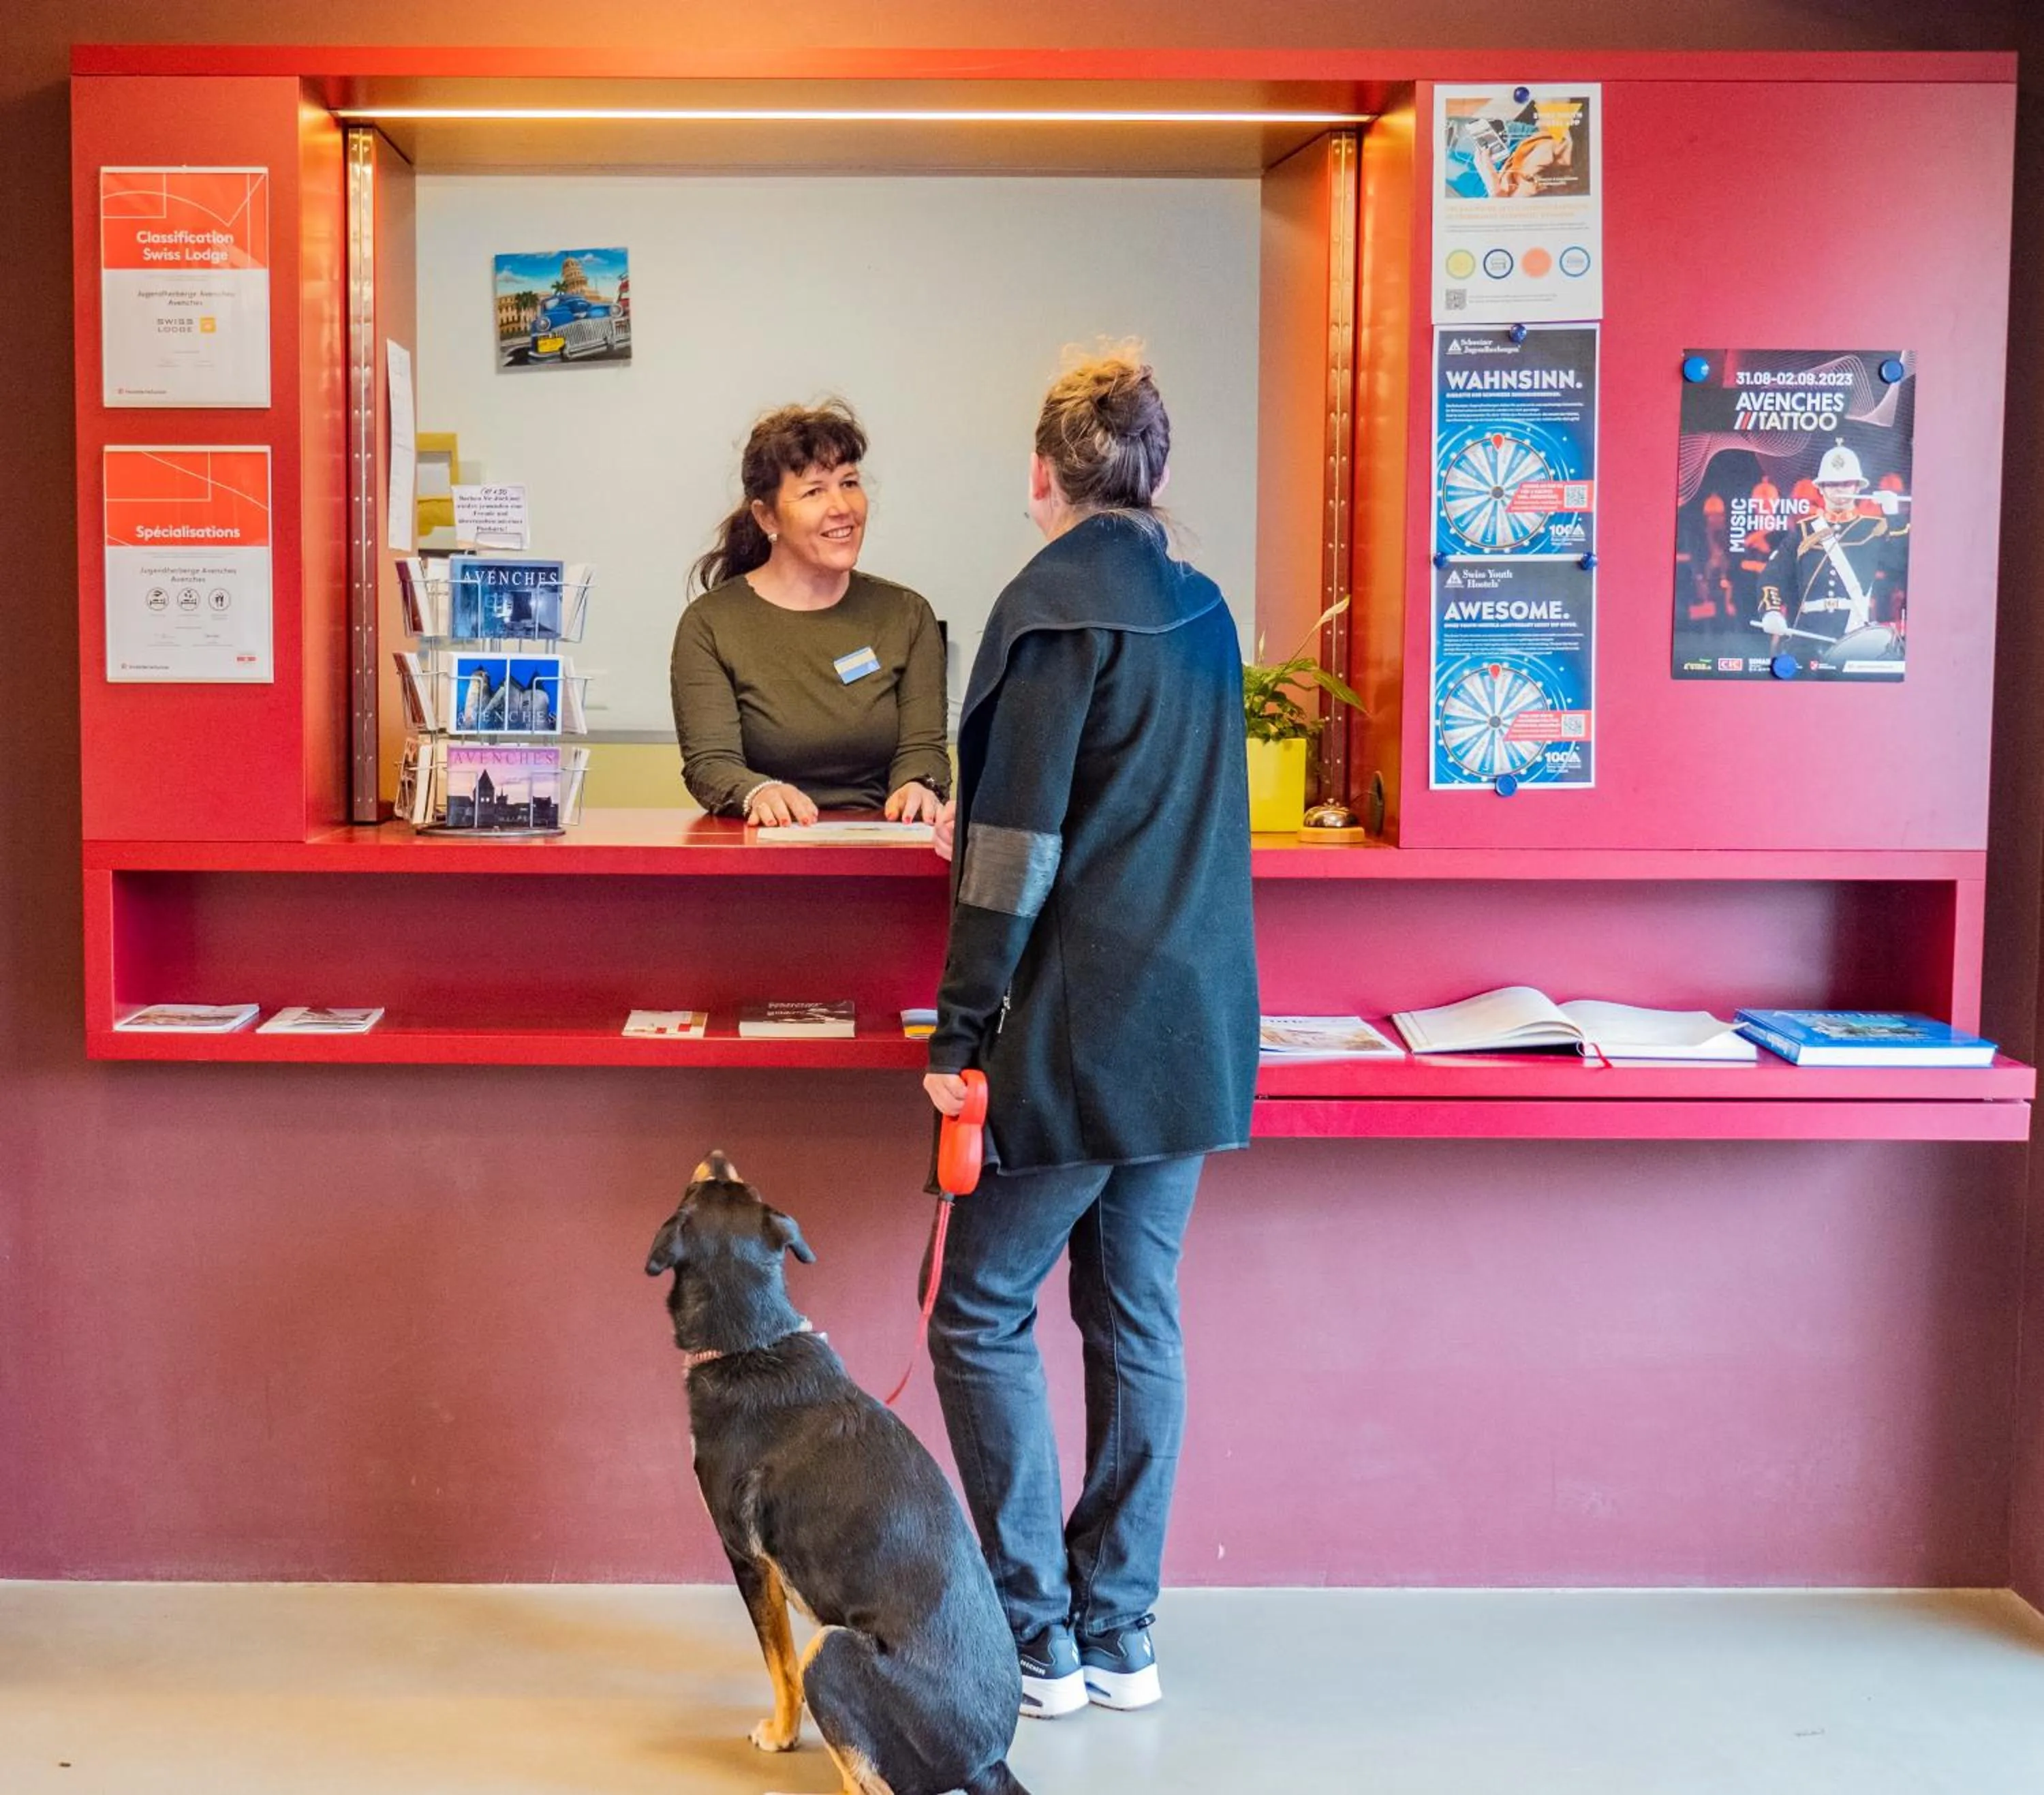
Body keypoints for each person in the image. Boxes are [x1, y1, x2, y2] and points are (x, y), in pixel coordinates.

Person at [920, 350, 1259, 1721]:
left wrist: (959, 1025)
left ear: (1042, 478)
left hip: (1077, 1030)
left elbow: (1013, 853)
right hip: (1194, 1029)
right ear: (1160, 477)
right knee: (1135, 1319)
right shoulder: (1207, 610)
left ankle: (1034, 1635)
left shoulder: (1047, 610)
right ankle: (1122, 1635)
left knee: (980, 1315)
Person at [672, 401, 950, 825]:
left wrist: (918, 784)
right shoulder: (710, 624)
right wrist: (759, 792)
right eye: (814, 491)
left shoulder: (907, 615)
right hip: (763, 853)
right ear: (767, 517)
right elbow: (710, 764)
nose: (842, 506)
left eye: (849, 482)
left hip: (884, 850)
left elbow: (923, 748)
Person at [1756, 440, 1910, 660]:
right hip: (1806, 637)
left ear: (1858, 487)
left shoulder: (1874, 528)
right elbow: (1772, 575)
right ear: (1821, 488)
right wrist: (1771, 611)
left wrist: (1894, 517)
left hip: (1854, 637)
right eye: (1832, 483)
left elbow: (1900, 564)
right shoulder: (1804, 532)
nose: (1839, 489)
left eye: (1847, 483)